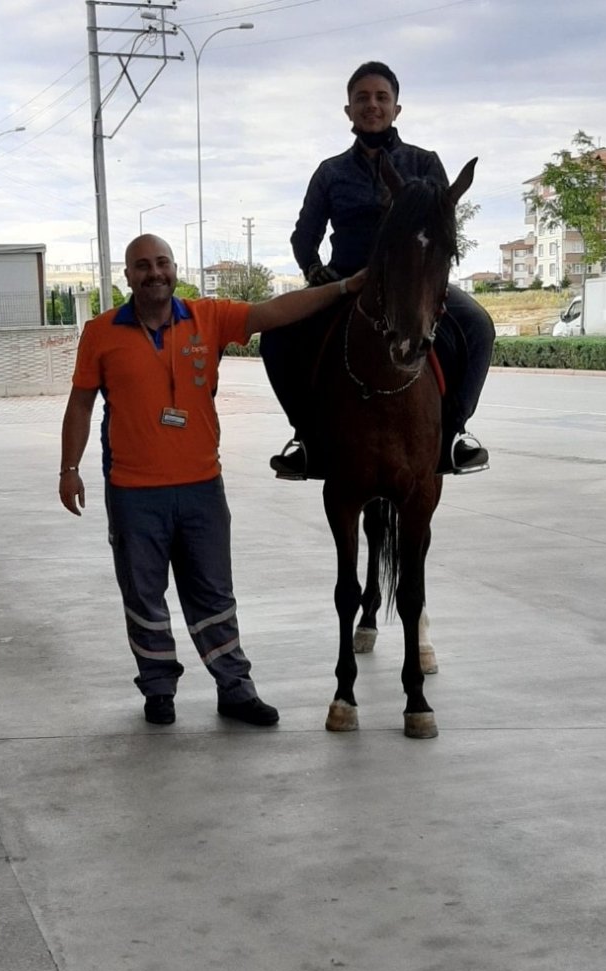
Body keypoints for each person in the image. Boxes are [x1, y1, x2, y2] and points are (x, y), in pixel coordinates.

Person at [59, 233, 365, 727]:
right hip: (134, 493)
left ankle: (235, 689)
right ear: (127, 276)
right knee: (143, 596)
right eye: (142, 266)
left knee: (214, 595)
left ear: (175, 268)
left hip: (202, 487)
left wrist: (346, 286)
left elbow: (278, 310)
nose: (153, 273)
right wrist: (69, 468)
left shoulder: (208, 317)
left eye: (161, 263)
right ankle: (158, 691)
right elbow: (80, 403)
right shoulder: (101, 332)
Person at [264, 60, 494, 480]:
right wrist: (317, 274)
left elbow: (442, 227)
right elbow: (304, 237)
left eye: (381, 97)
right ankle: (304, 437)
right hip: (346, 281)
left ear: (396, 108)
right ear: (349, 110)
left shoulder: (425, 163)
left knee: (479, 325)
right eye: (362, 98)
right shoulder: (330, 172)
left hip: (413, 283)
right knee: (276, 336)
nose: (372, 105)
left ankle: (455, 433)